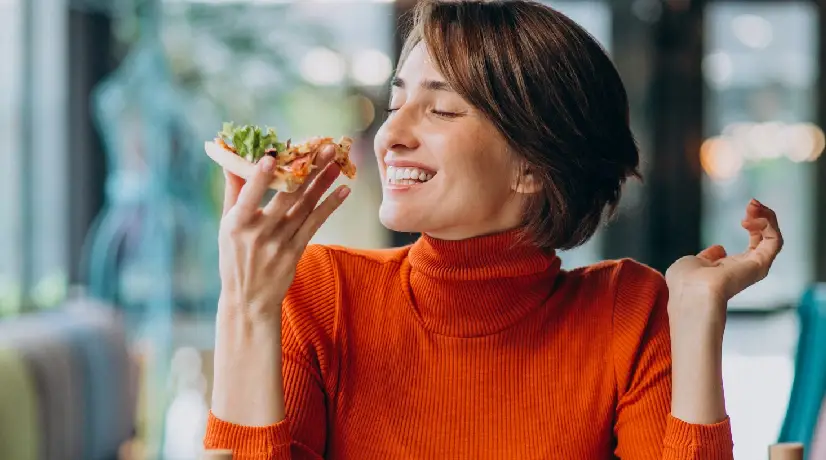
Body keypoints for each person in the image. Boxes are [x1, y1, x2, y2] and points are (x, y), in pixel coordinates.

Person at [203, 1, 783, 459]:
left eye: (441, 110)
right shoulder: (319, 292)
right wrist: (247, 310)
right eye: (395, 102)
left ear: (532, 166)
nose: (389, 135)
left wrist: (696, 315)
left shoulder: (627, 311)